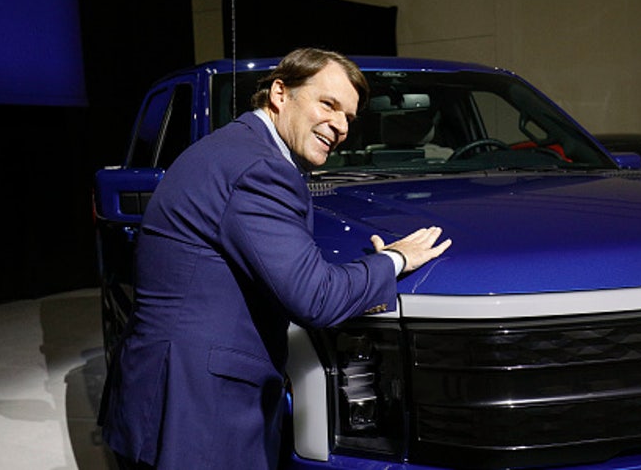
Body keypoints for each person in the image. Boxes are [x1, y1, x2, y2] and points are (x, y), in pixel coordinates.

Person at [98, 47, 452, 470]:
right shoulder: (259, 169)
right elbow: (314, 297)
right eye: (328, 104)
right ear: (280, 94)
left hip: (170, 392)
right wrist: (394, 259)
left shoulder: (233, 149)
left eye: (349, 118)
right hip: (198, 412)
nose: (340, 126)